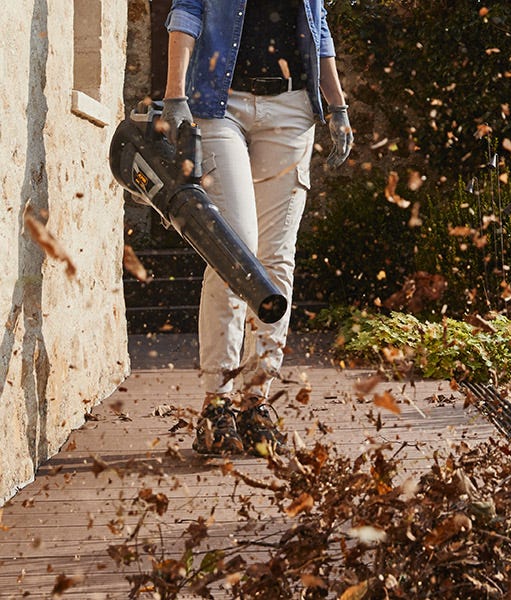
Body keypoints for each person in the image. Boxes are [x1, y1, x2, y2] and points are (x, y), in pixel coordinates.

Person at [161, 0, 353, 456]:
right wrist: (174, 95)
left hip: (291, 111)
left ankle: (255, 400)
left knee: (276, 258)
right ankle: (217, 401)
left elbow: (318, 27)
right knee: (234, 250)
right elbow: (186, 11)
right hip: (219, 103)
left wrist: (338, 107)